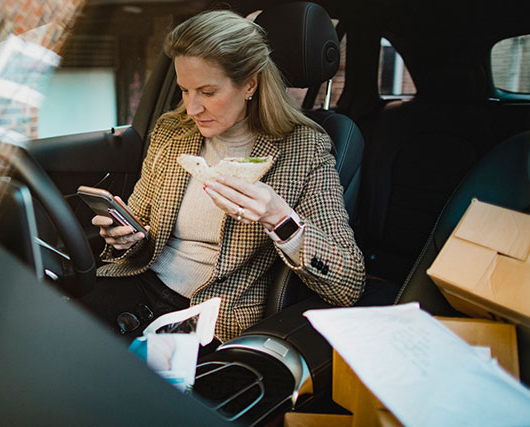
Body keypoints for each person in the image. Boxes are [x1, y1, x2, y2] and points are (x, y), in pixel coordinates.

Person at [81, 9, 365, 344]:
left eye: (207, 92)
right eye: (185, 90)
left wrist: (277, 216)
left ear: (250, 83)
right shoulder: (172, 132)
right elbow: (142, 223)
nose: (191, 108)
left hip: (214, 316)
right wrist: (125, 236)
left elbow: (349, 280)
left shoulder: (304, 150)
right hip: (139, 282)